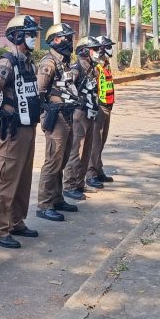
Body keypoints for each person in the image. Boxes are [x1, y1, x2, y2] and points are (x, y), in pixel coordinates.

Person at [0, 15, 43, 248]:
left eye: (34, 34)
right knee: (6, 179)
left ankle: (16, 221)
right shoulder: (7, 63)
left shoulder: (28, 62)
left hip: (28, 127)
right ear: (17, 36)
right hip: (13, 129)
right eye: (29, 34)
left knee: (23, 178)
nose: (33, 38)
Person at [35, 22, 81, 222]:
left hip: (67, 115)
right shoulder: (49, 63)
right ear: (55, 40)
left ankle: (56, 198)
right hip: (55, 117)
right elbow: (40, 91)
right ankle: (44, 205)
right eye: (66, 37)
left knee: (62, 160)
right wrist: (45, 112)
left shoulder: (64, 62)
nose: (70, 41)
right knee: (53, 161)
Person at [62, 36, 101, 200]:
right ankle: (69, 185)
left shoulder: (92, 68)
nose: (98, 52)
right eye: (94, 49)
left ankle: (79, 182)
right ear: (84, 51)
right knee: (76, 150)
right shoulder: (76, 68)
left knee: (87, 149)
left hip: (90, 112)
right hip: (79, 113)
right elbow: (67, 90)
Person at [86, 35, 116, 186]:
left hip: (107, 106)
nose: (111, 50)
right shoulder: (95, 66)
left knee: (101, 141)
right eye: (108, 47)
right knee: (95, 142)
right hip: (99, 107)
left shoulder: (106, 64)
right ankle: (91, 173)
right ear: (102, 49)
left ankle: (98, 169)